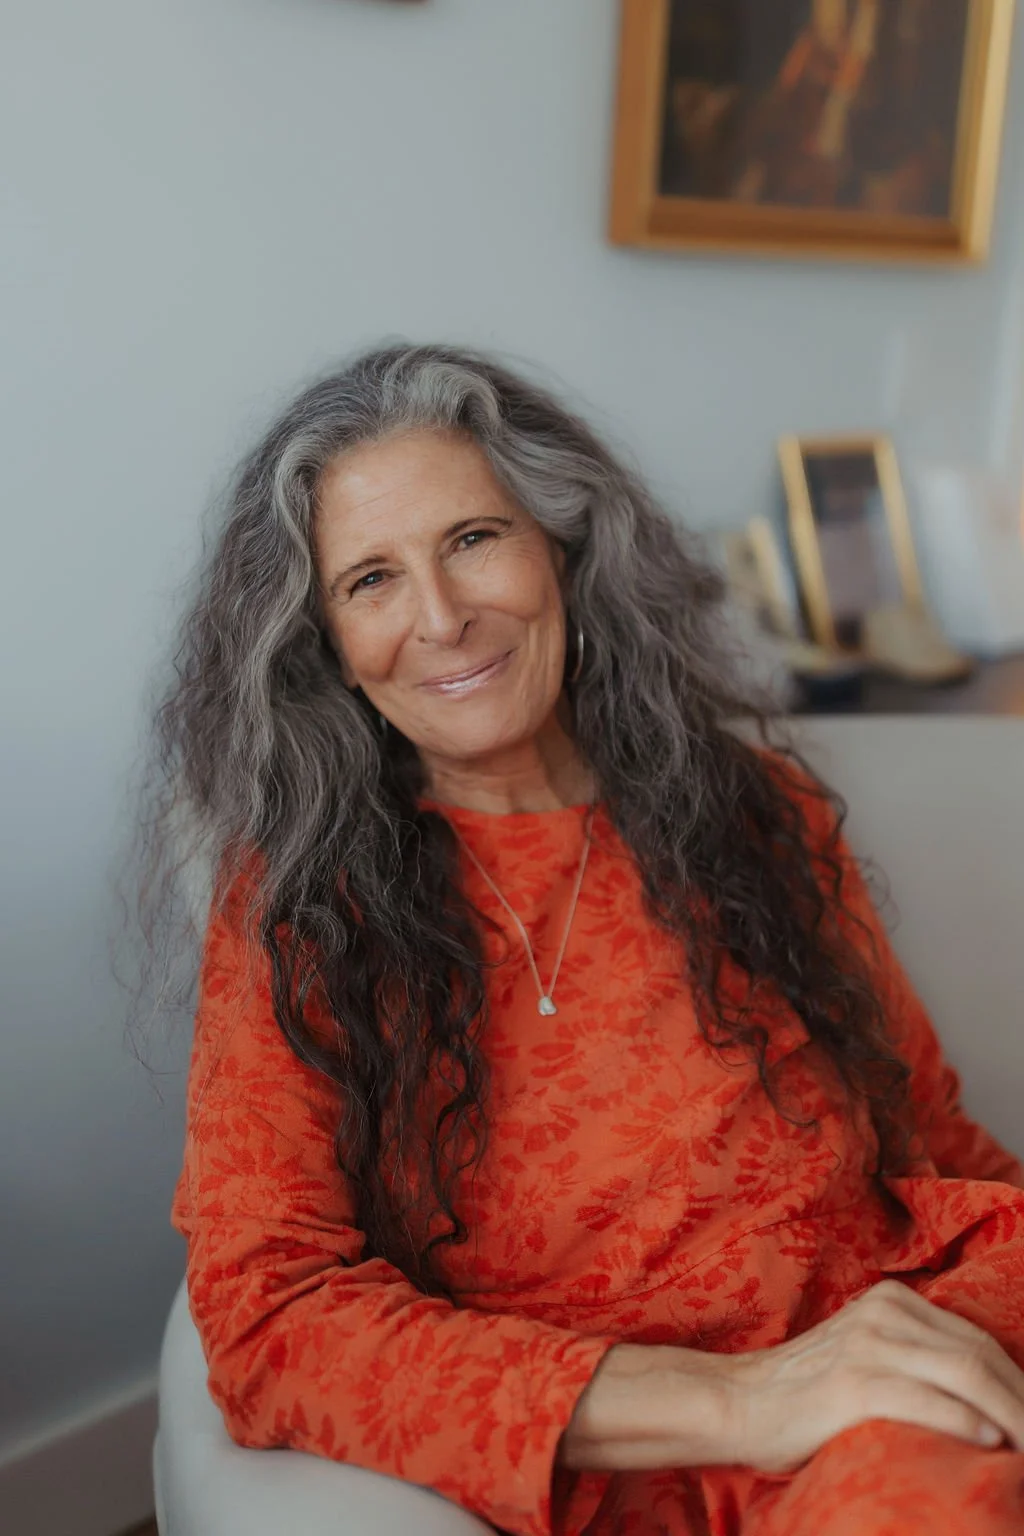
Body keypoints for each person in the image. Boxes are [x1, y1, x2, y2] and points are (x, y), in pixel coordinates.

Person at [152, 343, 1024, 1536]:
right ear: (325, 649)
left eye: (472, 539)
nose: (444, 618)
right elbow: (267, 1315)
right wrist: (748, 1399)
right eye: (369, 580)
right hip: (679, 1466)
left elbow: (934, 1142)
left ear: (561, 545)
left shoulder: (756, 806)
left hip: (912, 1362)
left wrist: (941, 1341)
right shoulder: (303, 908)